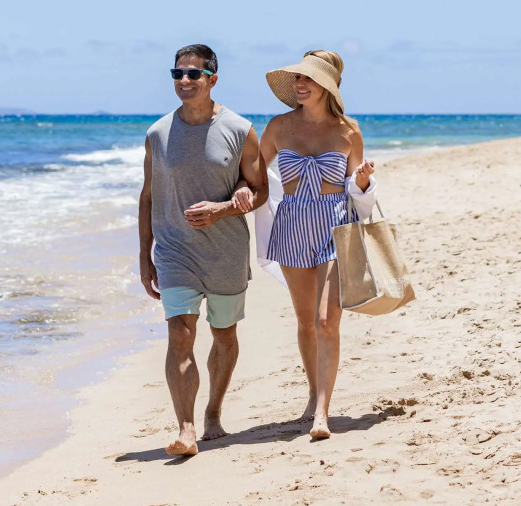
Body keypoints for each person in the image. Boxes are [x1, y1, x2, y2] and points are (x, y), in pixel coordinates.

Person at [138, 44, 266, 457]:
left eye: (193, 74)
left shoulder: (239, 129)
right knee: (180, 334)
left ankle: (213, 414)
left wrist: (226, 207)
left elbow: (258, 187)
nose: (184, 81)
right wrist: (145, 256)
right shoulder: (158, 133)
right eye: (177, 74)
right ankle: (186, 428)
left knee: (224, 334)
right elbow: (147, 196)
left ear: (212, 79)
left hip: (225, 248)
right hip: (175, 251)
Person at [255, 50, 375, 440]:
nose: (300, 85)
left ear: (327, 86)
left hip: (335, 225)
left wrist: (362, 181)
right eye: (297, 80)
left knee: (328, 321)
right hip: (291, 226)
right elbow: (252, 175)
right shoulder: (278, 127)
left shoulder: (347, 132)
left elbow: (359, 192)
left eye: (307, 80)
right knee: (306, 322)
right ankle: (312, 393)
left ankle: (322, 412)